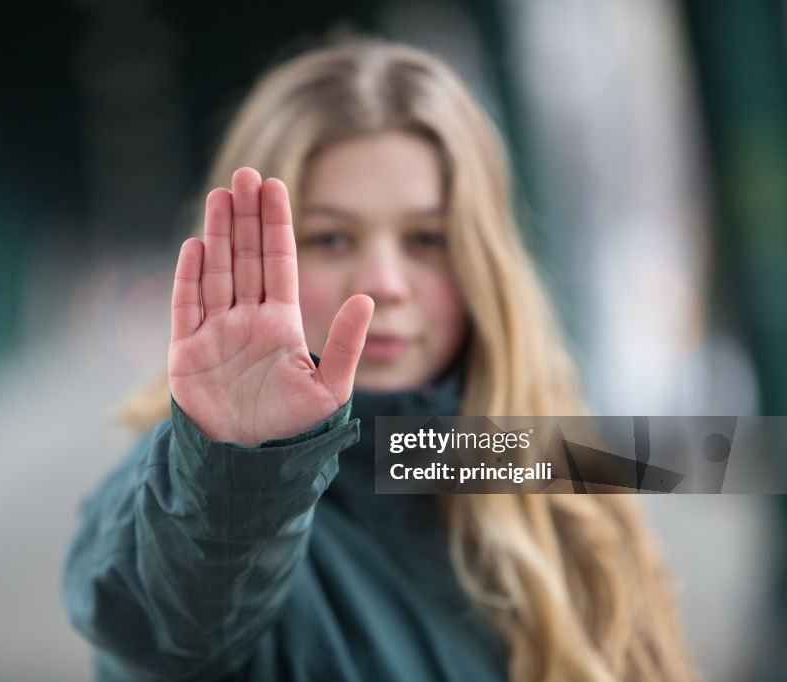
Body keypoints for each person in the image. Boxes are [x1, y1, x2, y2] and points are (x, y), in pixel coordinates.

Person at [64, 37, 700, 681]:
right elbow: (161, 621)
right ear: (243, 251)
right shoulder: (183, 487)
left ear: (485, 261)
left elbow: (709, 456)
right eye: (331, 238)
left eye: (426, 238)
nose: (384, 284)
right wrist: (239, 468)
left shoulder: (553, 462)